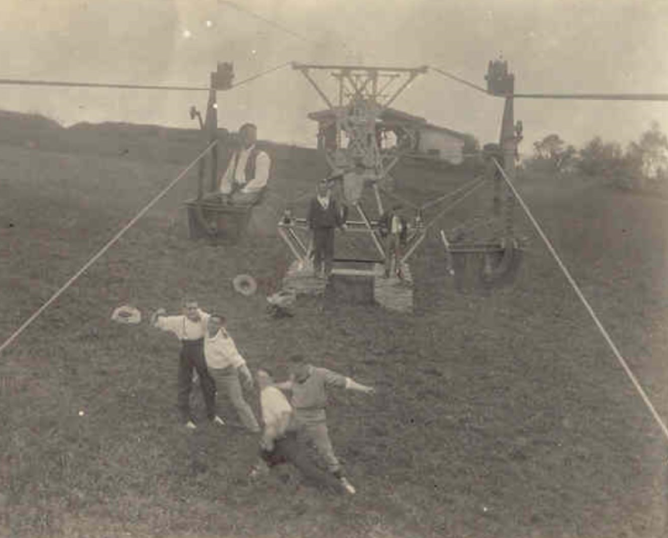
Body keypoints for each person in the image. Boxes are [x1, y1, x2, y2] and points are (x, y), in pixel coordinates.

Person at [276, 355, 375, 493]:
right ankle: (267, 466)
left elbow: (344, 382)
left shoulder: (321, 374)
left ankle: (340, 479)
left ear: (305, 365)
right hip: (296, 415)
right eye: (290, 367)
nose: (292, 371)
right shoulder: (294, 374)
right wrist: (275, 386)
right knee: (278, 437)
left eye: (295, 368)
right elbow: (291, 385)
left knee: (325, 450)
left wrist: (364, 388)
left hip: (315, 418)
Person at [250, 367, 353, 495]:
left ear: (271, 379)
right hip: (278, 434)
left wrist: (280, 432)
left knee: (306, 468)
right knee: (265, 448)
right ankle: (262, 469)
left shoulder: (271, 392)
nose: (261, 381)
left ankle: (340, 487)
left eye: (264, 378)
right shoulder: (265, 392)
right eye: (259, 378)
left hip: (285, 437)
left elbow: (286, 413)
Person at [151, 299, 224, 430]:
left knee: (208, 382)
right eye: (189, 309)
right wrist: (157, 313)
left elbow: (219, 325)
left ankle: (212, 415)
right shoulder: (178, 321)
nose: (192, 311)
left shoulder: (204, 318)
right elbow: (156, 322)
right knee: (184, 382)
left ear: (198, 308)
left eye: (194, 308)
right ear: (183, 310)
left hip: (202, 349)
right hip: (187, 351)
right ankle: (186, 418)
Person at [204, 314, 260, 433]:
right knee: (205, 390)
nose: (212, 325)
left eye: (216, 323)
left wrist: (247, 374)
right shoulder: (205, 330)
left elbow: (236, 358)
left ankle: (253, 427)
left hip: (226, 374)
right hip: (210, 370)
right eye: (211, 322)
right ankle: (210, 411)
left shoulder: (224, 341)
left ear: (221, 326)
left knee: (238, 402)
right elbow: (199, 314)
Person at [219, 123, 271, 206]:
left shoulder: (261, 156)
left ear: (255, 137)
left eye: (250, 135)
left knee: (233, 202)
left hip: (252, 191)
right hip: (235, 189)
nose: (246, 138)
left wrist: (243, 192)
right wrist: (224, 193)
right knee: (212, 200)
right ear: (240, 136)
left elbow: (260, 180)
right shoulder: (236, 155)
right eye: (244, 134)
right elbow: (228, 176)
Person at [306, 179, 347, 279]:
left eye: (325, 188)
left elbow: (337, 214)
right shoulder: (314, 201)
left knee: (329, 251)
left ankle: (327, 272)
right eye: (321, 188)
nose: (323, 190)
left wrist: (341, 225)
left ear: (328, 189)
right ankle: (317, 271)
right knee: (317, 251)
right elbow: (310, 215)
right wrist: (309, 226)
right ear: (318, 189)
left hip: (329, 229)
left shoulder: (332, 201)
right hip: (318, 229)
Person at [378, 204, 409, 279]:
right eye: (398, 211)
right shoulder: (387, 215)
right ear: (394, 211)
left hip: (397, 237)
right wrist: (383, 229)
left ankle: (398, 272)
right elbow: (380, 223)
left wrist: (403, 241)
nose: (400, 213)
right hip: (389, 235)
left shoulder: (402, 219)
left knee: (398, 256)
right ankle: (386, 272)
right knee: (388, 254)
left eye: (401, 212)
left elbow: (404, 231)